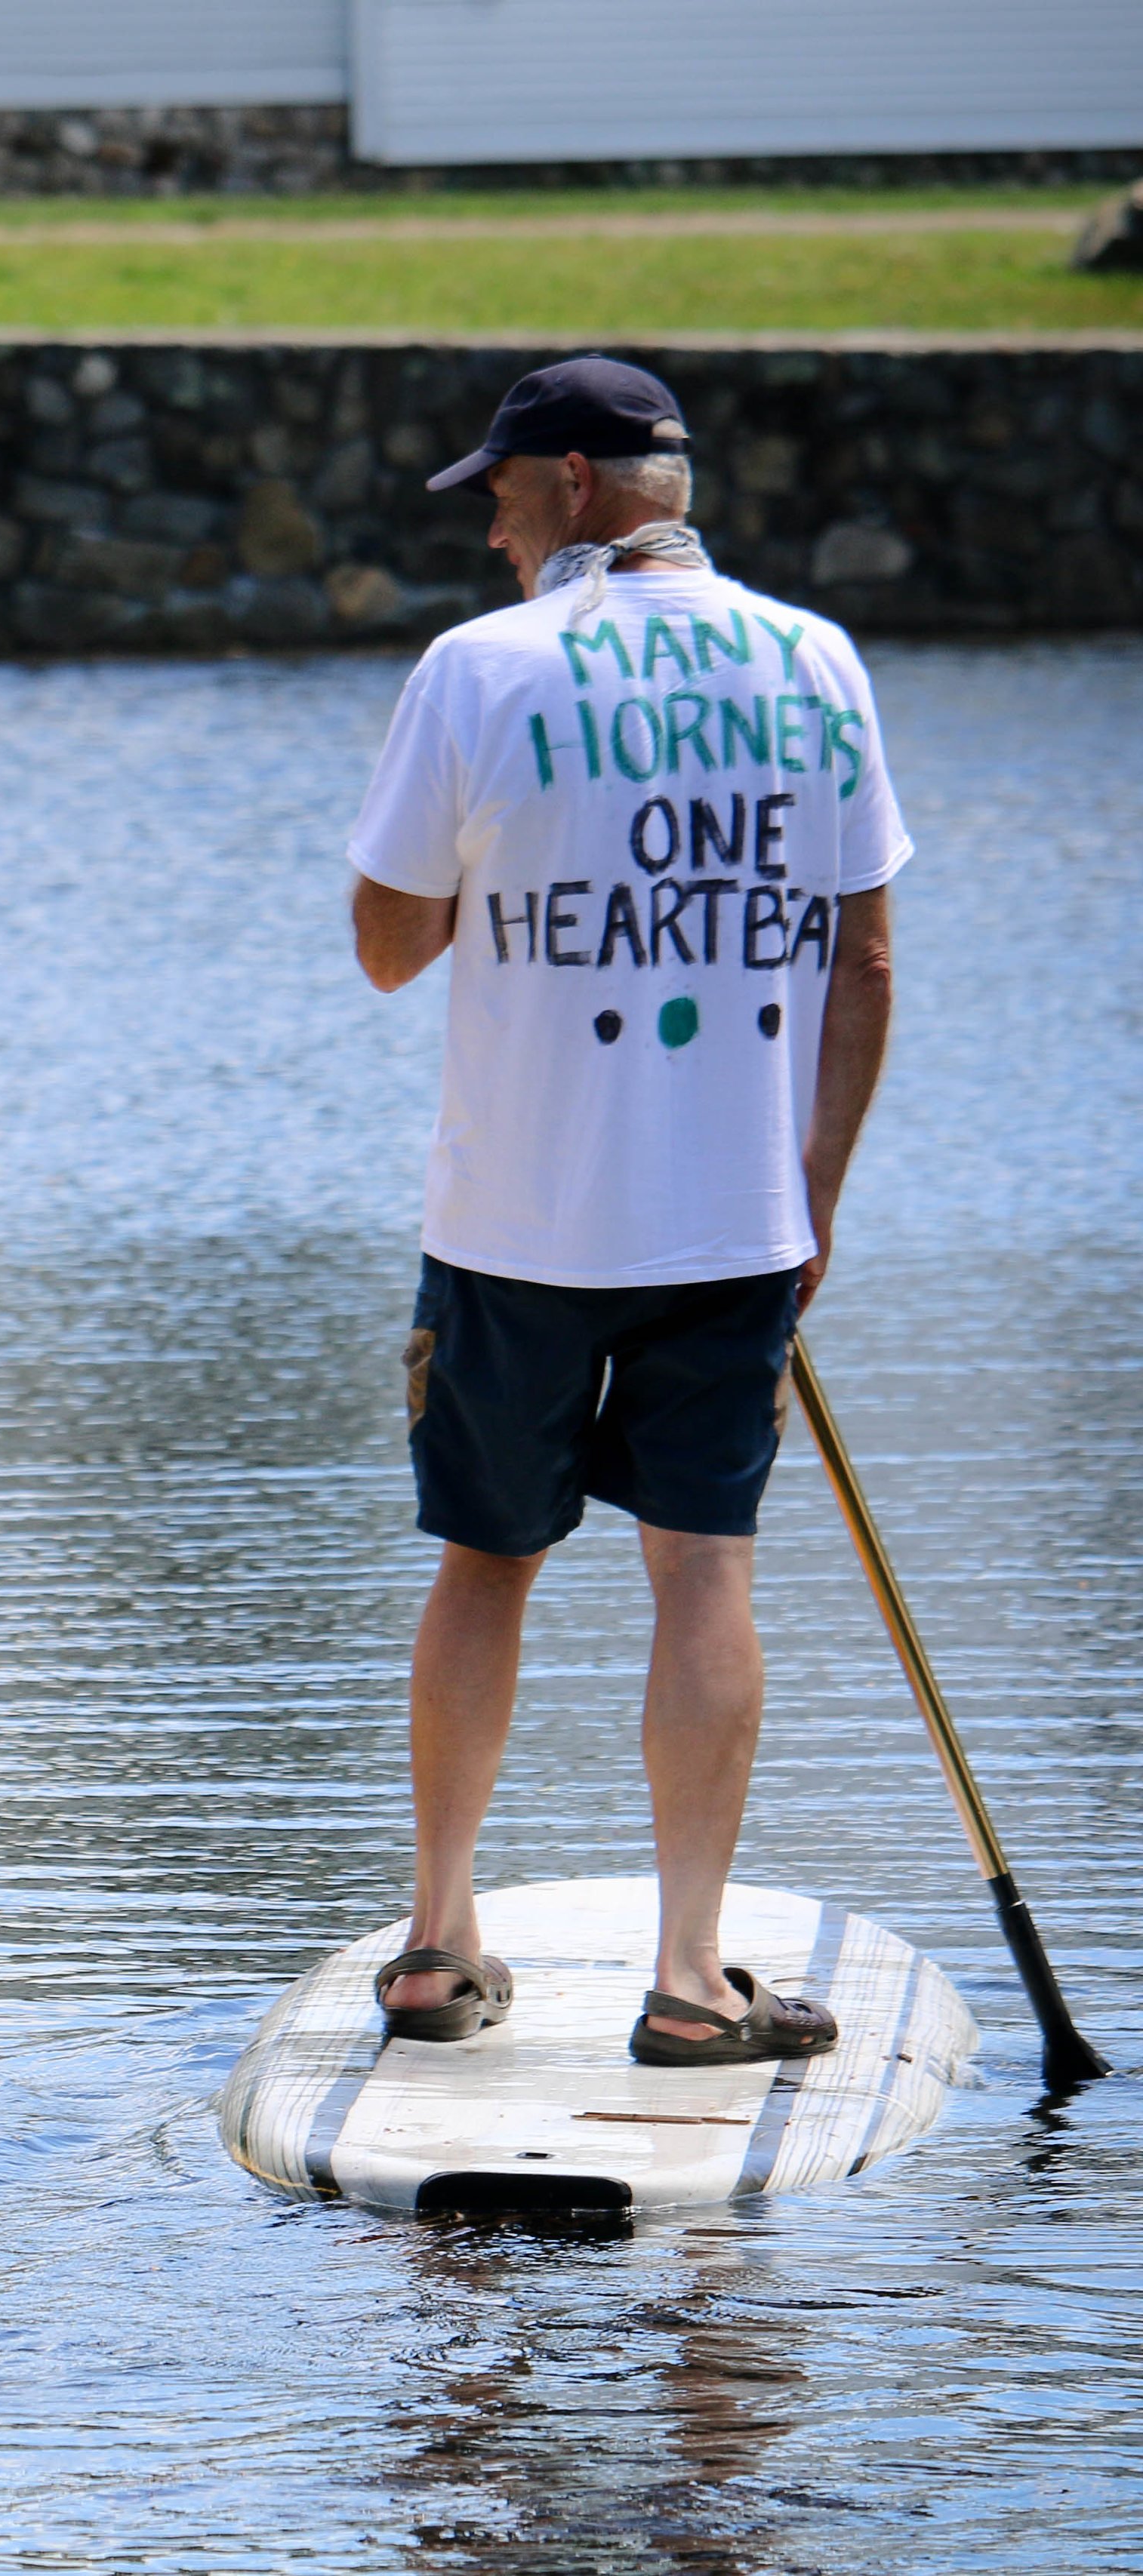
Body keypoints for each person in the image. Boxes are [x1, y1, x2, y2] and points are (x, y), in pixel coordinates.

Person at [347, 355, 904, 2067]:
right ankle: (686, 1977)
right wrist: (808, 1197)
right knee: (701, 1572)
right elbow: (864, 958)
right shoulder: (815, 661)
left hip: (515, 1221)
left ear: (575, 487)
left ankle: (440, 1943)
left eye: (503, 496)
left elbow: (384, 942)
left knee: (484, 1561)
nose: (492, 527)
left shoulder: (480, 668)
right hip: (731, 1224)